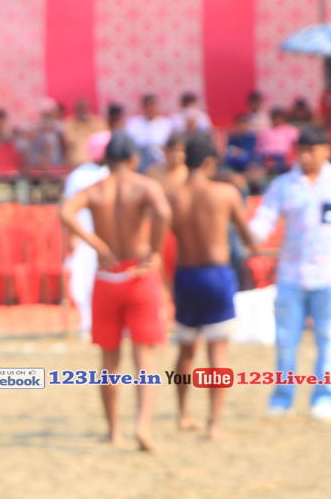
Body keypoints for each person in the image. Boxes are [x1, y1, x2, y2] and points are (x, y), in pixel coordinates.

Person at [59, 131, 172, 451]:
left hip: (108, 275)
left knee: (110, 357)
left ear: (105, 159)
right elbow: (164, 213)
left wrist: (96, 244)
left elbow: (65, 212)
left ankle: (113, 431)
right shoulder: (145, 186)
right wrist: (155, 251)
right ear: (134, 159)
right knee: (144, 354)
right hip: (139, 274)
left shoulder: (95, 189)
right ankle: (143, 425)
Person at [249, 125, 331, 422]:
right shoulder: (284, 185)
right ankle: (282, 398)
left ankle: (325, 398)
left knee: (329, 337)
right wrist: (252, 234)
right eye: (301, 150)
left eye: (311, 150)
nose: (305, 156)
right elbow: (264, 218)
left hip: (329, 274)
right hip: (291, 274)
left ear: (326, 151)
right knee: (286, 340)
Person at [168, 133, 257, 440]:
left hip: (185, 276)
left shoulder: (172, 196)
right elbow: (246, 235)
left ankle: (184, 414)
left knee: (185, 349)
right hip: (217, 275)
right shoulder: (225, 193)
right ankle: (214, 423)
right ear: (209, 162)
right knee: (217, 352)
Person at [62, 130, 111, 337]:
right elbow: (68, 209)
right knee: (84, 280)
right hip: (85, 235)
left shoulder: (111, 173)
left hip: (108, 237)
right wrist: (74, 238)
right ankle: (87, 322)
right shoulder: (80, 175)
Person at [125, 93, 172, 172]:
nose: (149, 108)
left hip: (161, 164)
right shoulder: (133, 123)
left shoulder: (166, 124)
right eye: (147, 105)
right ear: (142, 107)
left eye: (152, 104)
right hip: (140, 164)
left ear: (158, 106)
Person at [62, 97, 107, 168]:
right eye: (80, 107)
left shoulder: (100, 123)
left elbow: (104, 142)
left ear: (89, 107)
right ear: (75, 109)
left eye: (84, 107)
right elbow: (68, 141)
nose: (82, 110)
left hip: (97, 164)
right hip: (75, 164)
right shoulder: (68, 124)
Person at [255, 107, 300, 173]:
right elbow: (258, 148)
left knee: (282, 161)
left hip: (282, 157)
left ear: (283, 118)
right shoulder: (264, 131)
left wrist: (293, 156)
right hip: (265, 156)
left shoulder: (290, 130)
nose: (277, 119)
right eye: (275, 117)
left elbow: (299, 143)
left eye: (279, 117)